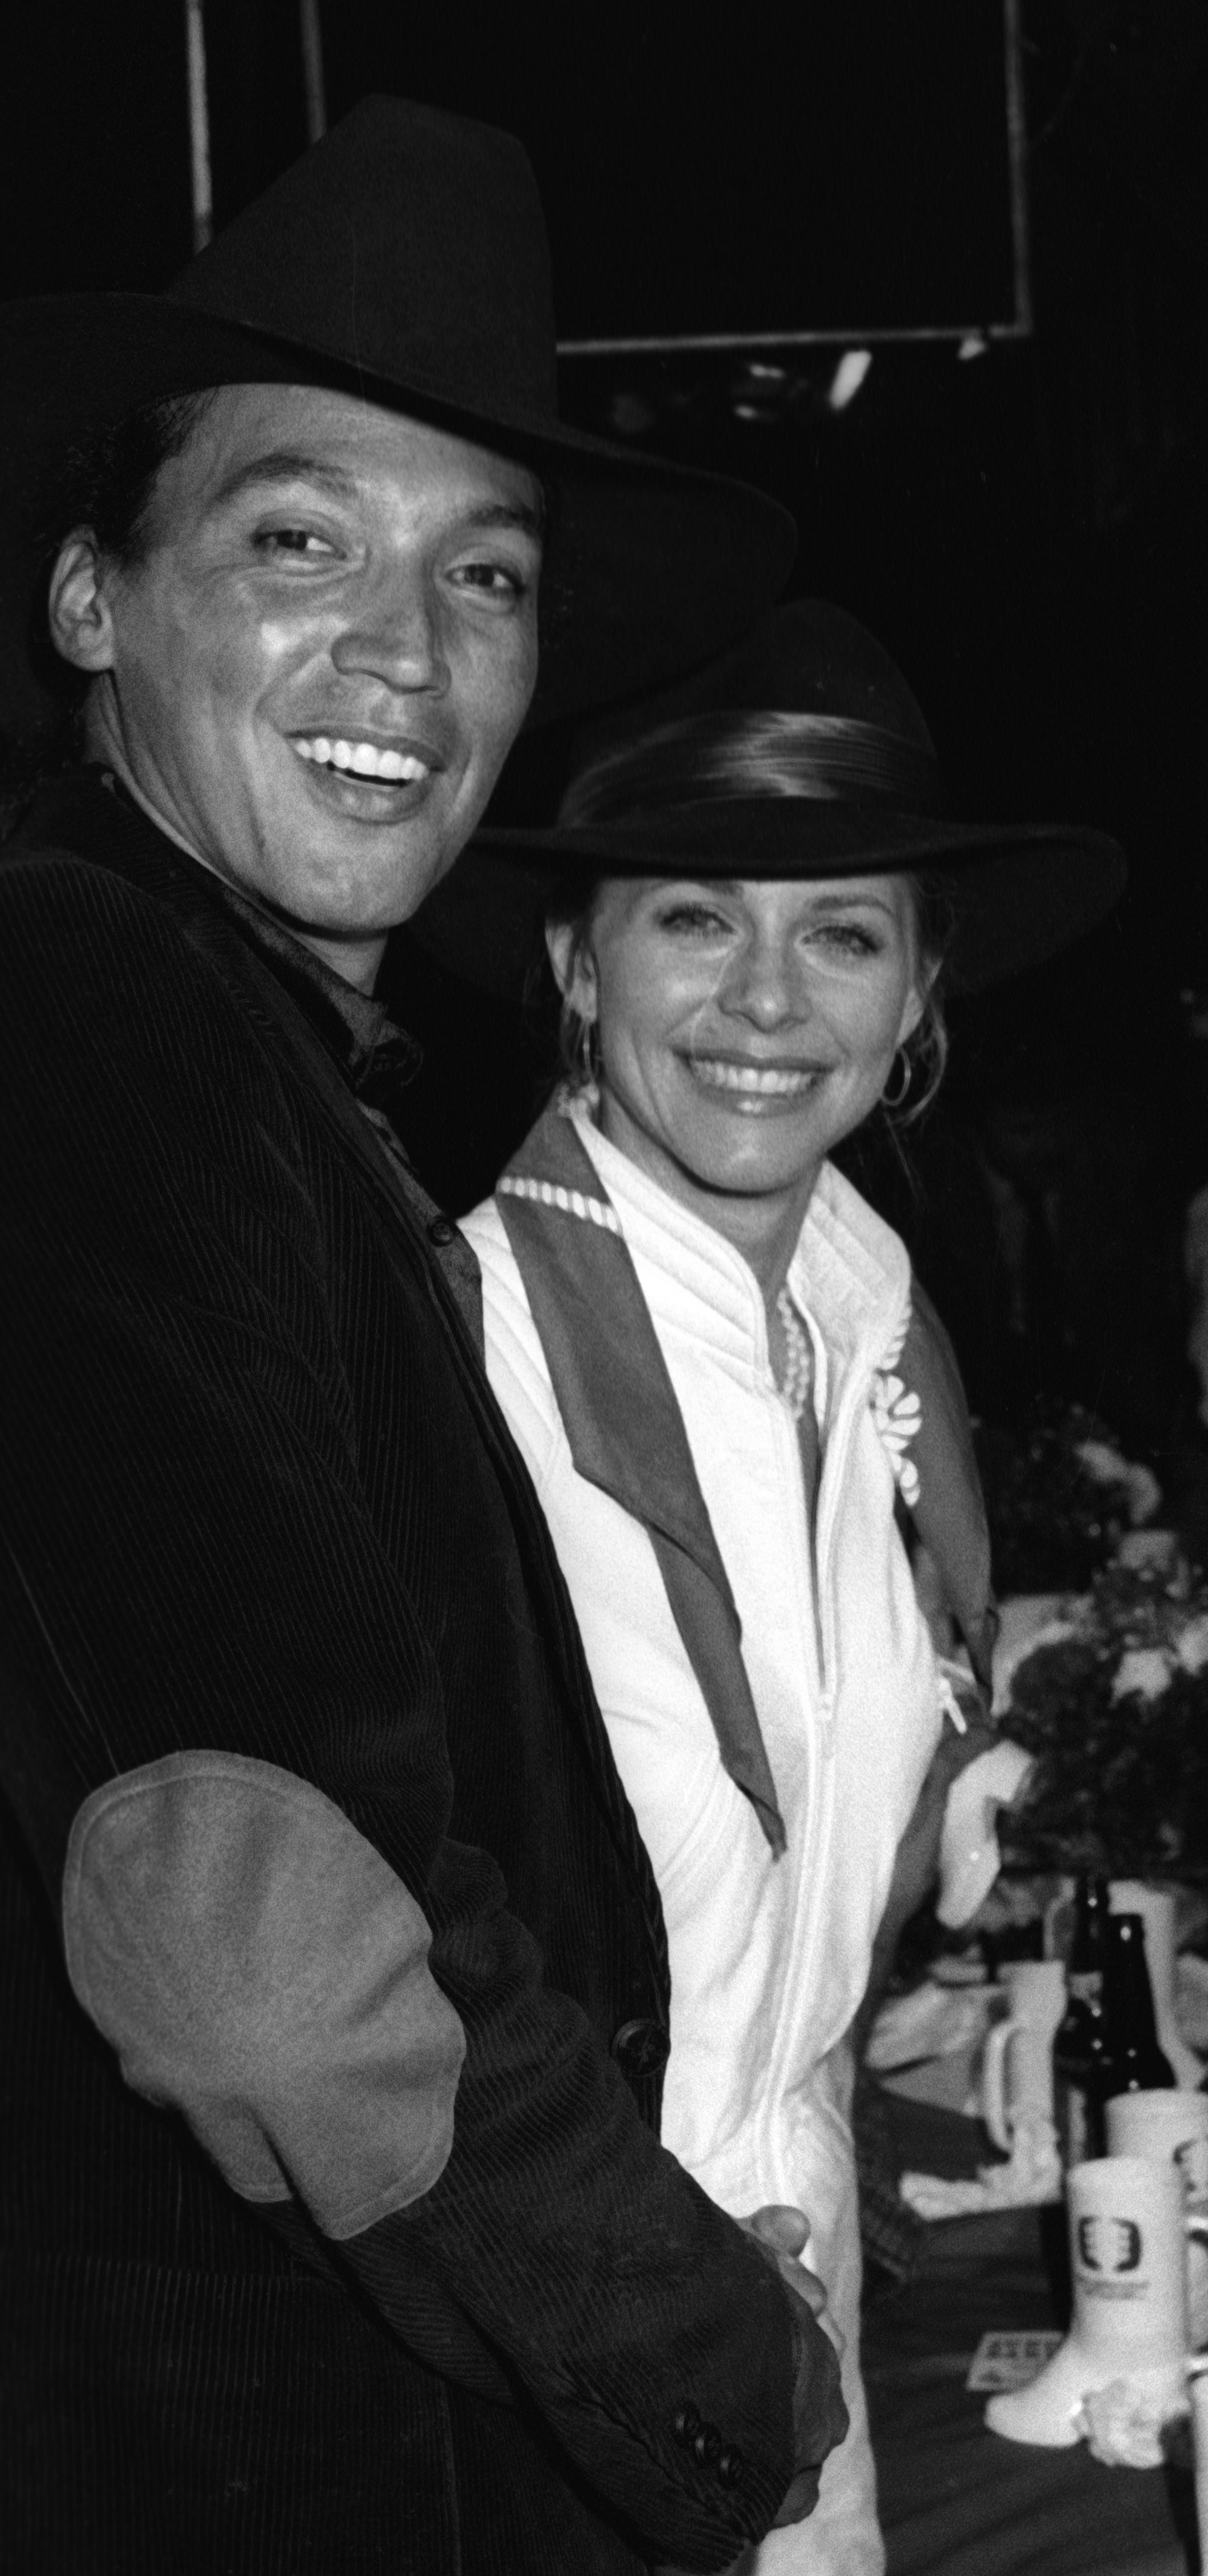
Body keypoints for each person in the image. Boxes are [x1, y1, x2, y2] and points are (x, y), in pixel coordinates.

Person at [0, 99, 847, 2576]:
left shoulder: (233, 1039)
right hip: (241, 2458)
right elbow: (256, 1940)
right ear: (94, 598)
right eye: (299, 539)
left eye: (488, 574)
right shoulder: (64, 998)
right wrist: (695, 2355)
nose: (409, 656)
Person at [452, 599, 1126, 2572]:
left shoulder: (869, 1320)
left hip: (794, 2267)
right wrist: (620, 2270)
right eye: (693, 920)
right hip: (539, 2319)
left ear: (912, 1003)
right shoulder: (450, 1342)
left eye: (837, 934)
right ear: (578, 964)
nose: (765, 999)